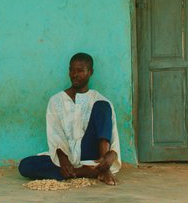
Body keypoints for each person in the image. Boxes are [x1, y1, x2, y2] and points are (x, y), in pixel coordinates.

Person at [18, 52, 121, 185]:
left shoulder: (99, 99)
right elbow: (55, 134)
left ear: (90, 72)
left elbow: (111, 135)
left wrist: (111, 155)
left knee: (102, 106)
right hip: (66, 157)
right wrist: (63, 159)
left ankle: (101, 168)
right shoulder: (56, 100)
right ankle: (88, 172)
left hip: (90, 156)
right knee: (25, 165)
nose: (74, 74)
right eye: (71, 70)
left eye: (80, 71)